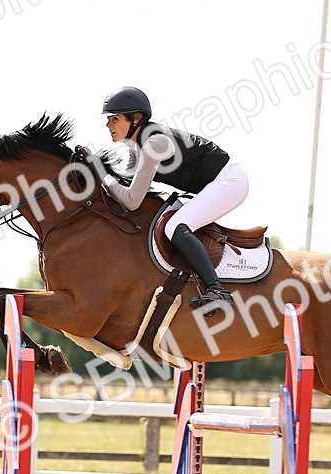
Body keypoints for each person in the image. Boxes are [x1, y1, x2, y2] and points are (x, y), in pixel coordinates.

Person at [99, 86, 248, 308]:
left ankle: (217, 289)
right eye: (108, 119)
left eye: (115, 119)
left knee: (175, 225)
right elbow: (126, 190)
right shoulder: (136, 148)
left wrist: (99, 172)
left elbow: (132, 200)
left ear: (136, 119)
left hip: (229, 182)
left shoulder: (153, 145)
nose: (108, 124)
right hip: (217, 183)